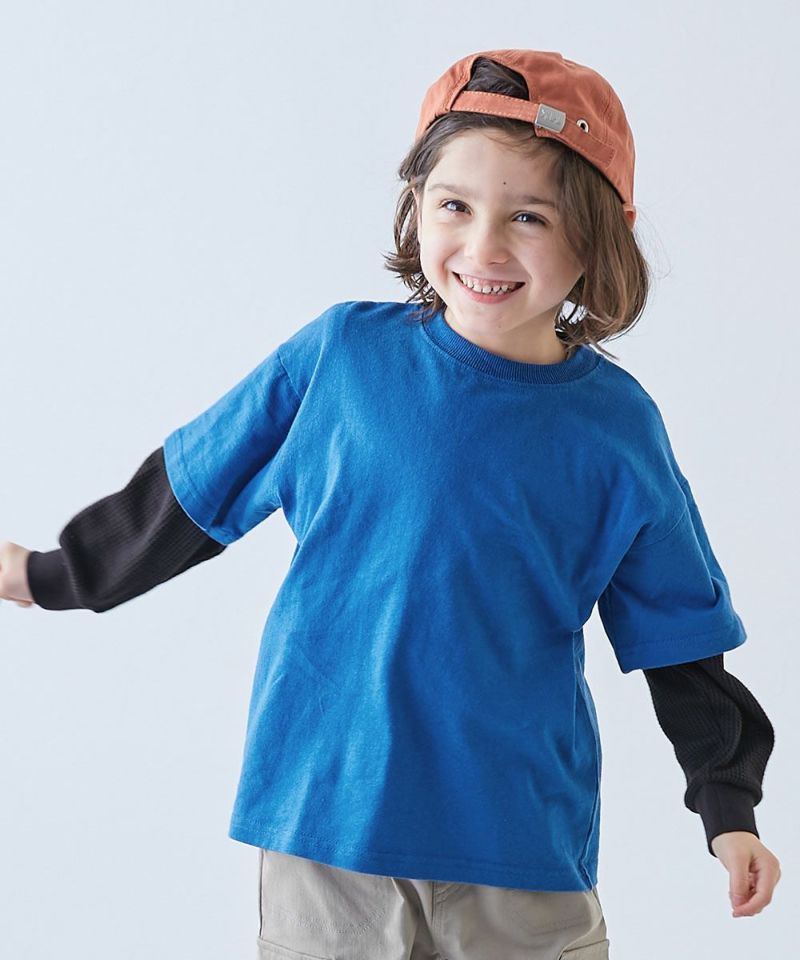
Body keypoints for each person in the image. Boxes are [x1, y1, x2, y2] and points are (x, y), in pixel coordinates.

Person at [0, 49, 781, 959]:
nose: (484, 248)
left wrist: (728, 807)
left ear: (601, 235)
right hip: (327, 821)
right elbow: (190, 491)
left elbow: (679, 631)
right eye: (454, 206)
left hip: (520, 841)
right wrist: (51, 576)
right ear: (416, 203)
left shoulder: (617, 428)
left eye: (529, 216)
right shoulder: (341, 358)